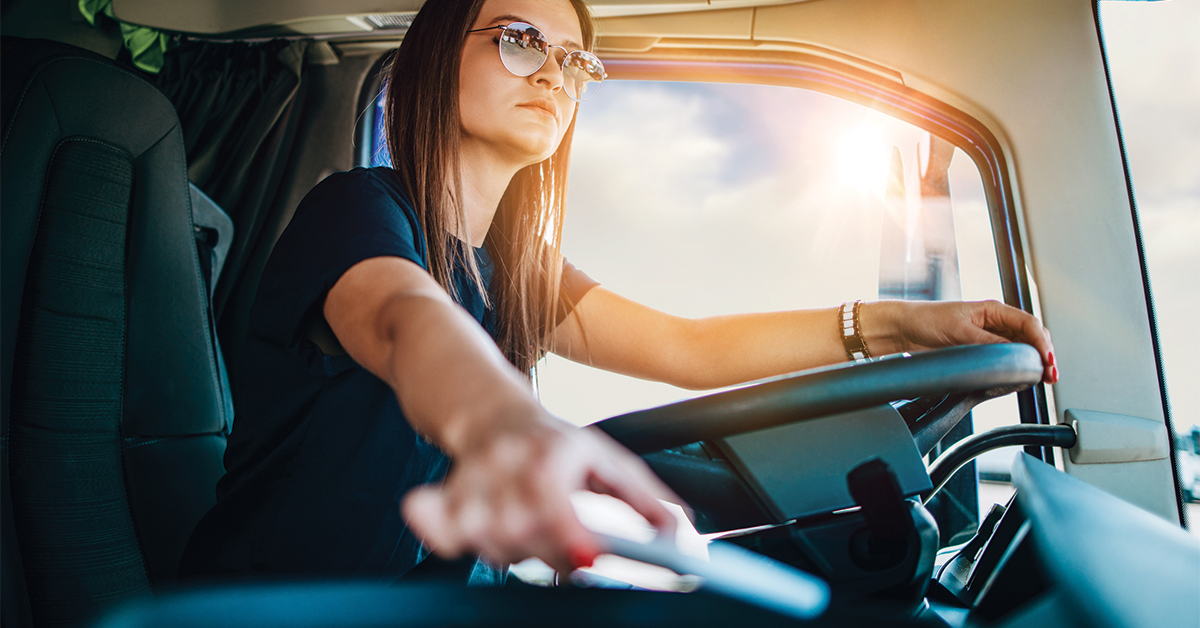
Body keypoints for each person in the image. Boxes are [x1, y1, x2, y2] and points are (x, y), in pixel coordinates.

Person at [179, 0, 1057, 585]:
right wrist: (508, 427)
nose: (556, 75)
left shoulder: (518, 271)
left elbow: (690, 348)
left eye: (574, 61)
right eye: (522, 39)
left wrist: (900, 323)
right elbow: (409, 324)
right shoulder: (354, 212)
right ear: (437, 52)